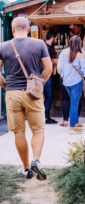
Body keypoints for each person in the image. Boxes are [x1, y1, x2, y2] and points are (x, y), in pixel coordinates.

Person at [0, 17, 52, 180]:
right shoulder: (39, 44)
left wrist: (4, 84)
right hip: (33, 94)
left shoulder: (3, 46)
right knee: (38, 130)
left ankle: (26, 168)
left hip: (12, 93)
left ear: (13, 29)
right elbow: (49, 68)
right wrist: (40, 82)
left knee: (18, 132)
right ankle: (36, 160)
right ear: (28, 29)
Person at [57, 35, 85, 133]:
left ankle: (75, 122)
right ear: (79, 43)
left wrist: (64, 76)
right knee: (74, 104)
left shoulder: (63, 52)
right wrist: (82, 75)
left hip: (66, 82)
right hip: (76, 82)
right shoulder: (81, 52)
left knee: (73, 102)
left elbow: (59, 68)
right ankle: (72, 126)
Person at [43, 32, 58, 124]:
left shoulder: (46, 47)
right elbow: (46, 63)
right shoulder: (47, 48)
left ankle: (45, 116)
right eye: (55, 38)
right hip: (47, 75)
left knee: (47, 96)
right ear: (53, 37)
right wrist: (55, 61)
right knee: (49, 95)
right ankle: (46, 116)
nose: (56, 40)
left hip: (46, 75)